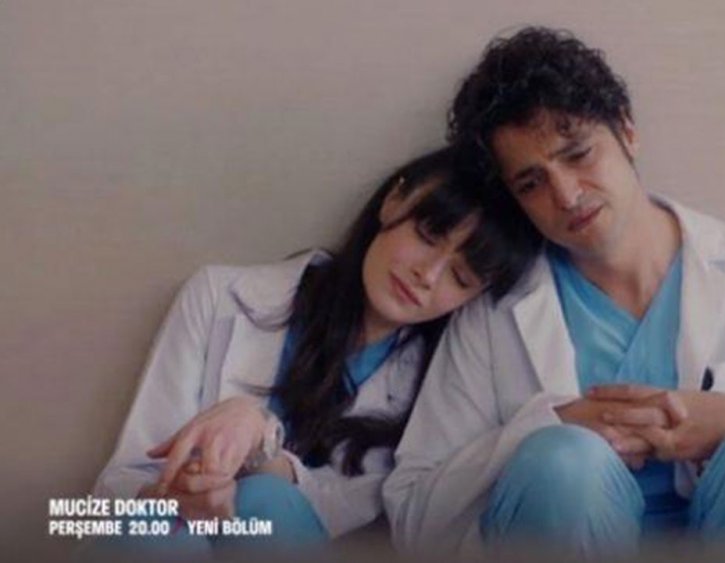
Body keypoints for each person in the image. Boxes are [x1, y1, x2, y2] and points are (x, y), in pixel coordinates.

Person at [383, 27, 725, 558]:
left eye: (578, 154)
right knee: (564, 462)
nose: (567, 195)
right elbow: (415, 514)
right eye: (532, 183)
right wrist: (544, 427)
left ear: (627, 131)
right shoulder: (498, 306)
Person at [91, 146, 538, 553]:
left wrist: (258, 439)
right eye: (427, 235)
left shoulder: (435, 394)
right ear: (394, 200)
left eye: (460, 278)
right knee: (159, 530)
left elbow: (328, 509)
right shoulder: (217, 294)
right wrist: (176, 492)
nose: (428, 274)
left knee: (266, 500)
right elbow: (119, 484)